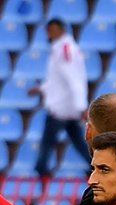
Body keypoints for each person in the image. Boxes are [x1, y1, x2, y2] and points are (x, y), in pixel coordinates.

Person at [30, 18, 89, 177]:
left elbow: (73, 78)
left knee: (48, 140)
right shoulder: (61, 48)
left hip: (61, 106)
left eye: (51, 30)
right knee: (77, 139)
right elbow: (57, 79)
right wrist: (41, 88)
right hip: (67, 105)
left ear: (60, 30)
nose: (48, 34)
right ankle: (93, 165)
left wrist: (81, 106)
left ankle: (41, 169)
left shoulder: (64, 49)